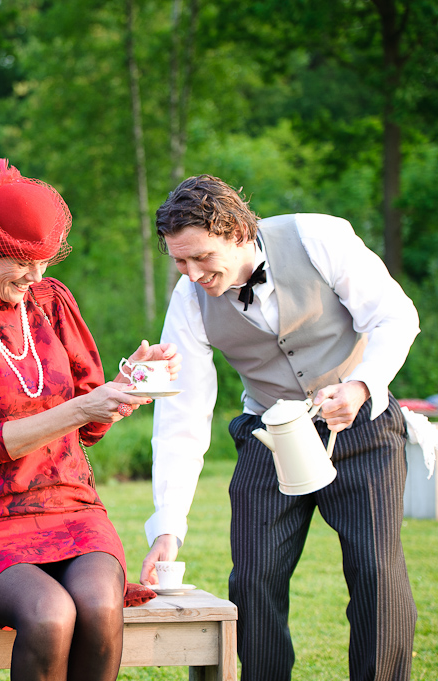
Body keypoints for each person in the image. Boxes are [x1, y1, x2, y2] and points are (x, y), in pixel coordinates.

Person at [0, 159, 180, 681]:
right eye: (22, 262)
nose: (35, 276)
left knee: (100, 608)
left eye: (45, 262)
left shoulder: (52, 303)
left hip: (73, 510)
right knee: (50, 614)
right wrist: (81, 408)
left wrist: (126, 386)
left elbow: (91, 428)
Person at [140, 175, 419, 681]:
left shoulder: (319, 238)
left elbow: (395, 317)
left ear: (237, 230)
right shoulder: (189, 298)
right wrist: (168, 525)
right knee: (253, 579)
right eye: (179, 260)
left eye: (201, 257)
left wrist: (359, 386)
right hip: (268, 436)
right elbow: (182, 412)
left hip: (362, 429)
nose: (192, 272)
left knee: (376, 573)